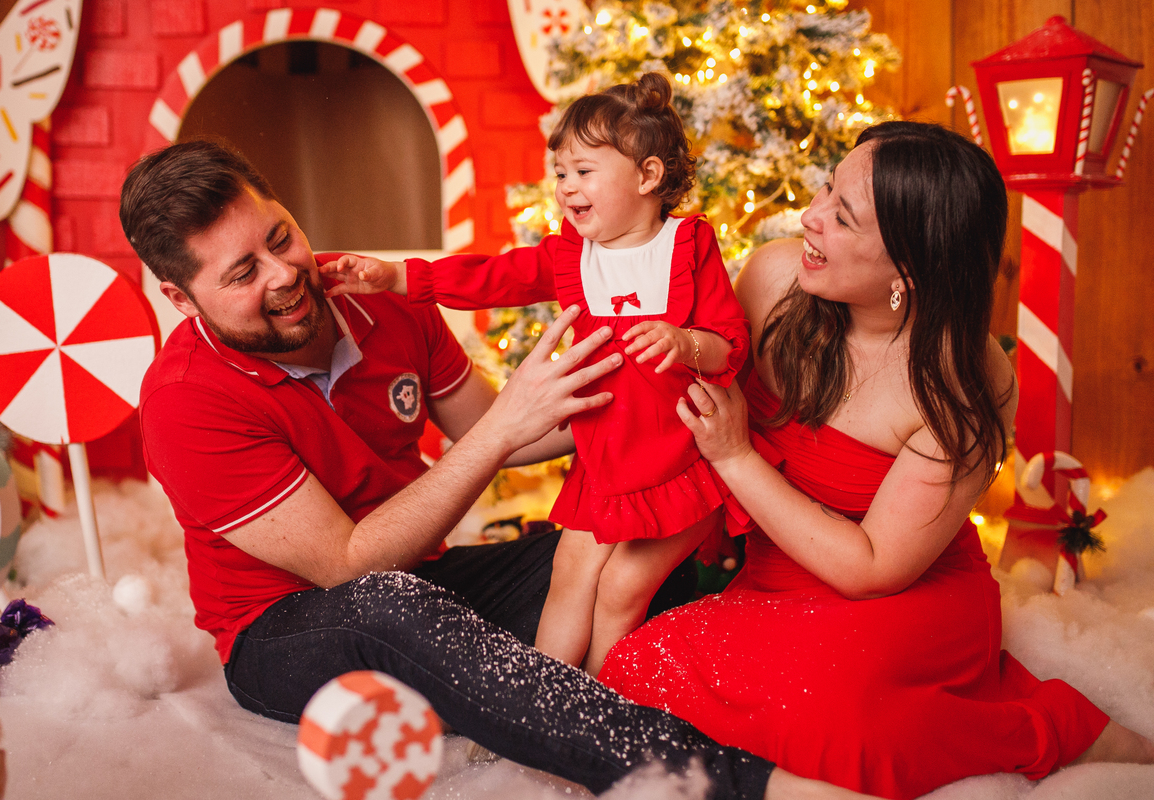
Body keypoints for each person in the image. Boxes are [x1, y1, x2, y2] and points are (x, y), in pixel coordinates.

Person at [121, 139, 875, 800]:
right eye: (243, 273)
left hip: (422, 577)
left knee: (621, 551)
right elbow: (348, 565)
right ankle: (731, 781)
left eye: (281, 238)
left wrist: (648, 419)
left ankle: (575, 699)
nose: (285, 273)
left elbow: (502, 432)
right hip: (285, 626)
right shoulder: (187, 400)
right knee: (390, 606)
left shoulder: (380, 302)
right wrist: (505, 424)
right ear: (181, 299)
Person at [595, 121, 1154, 799]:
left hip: (903, 592)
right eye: (827, 189)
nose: (811, 216)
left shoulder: (963, 379)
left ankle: (1045, 724)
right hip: (779, 578)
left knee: (828, 732)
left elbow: (873, 567)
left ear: (909, 270)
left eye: (843, 216)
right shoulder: (773, 279)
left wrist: (738, 458)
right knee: (643, 671)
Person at [324, 72, 751, 676]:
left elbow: (732, 344)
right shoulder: (569, 257)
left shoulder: (688, 245)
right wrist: (399, 278)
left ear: (649, 177)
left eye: (584, 171)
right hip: (607, 461)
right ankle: (538, 702)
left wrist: (686, 343)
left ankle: (604, 704)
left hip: (680, 454)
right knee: (569, 576)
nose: (566, 186)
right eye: (561, 173)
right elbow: (488, 278)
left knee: (623, 590)